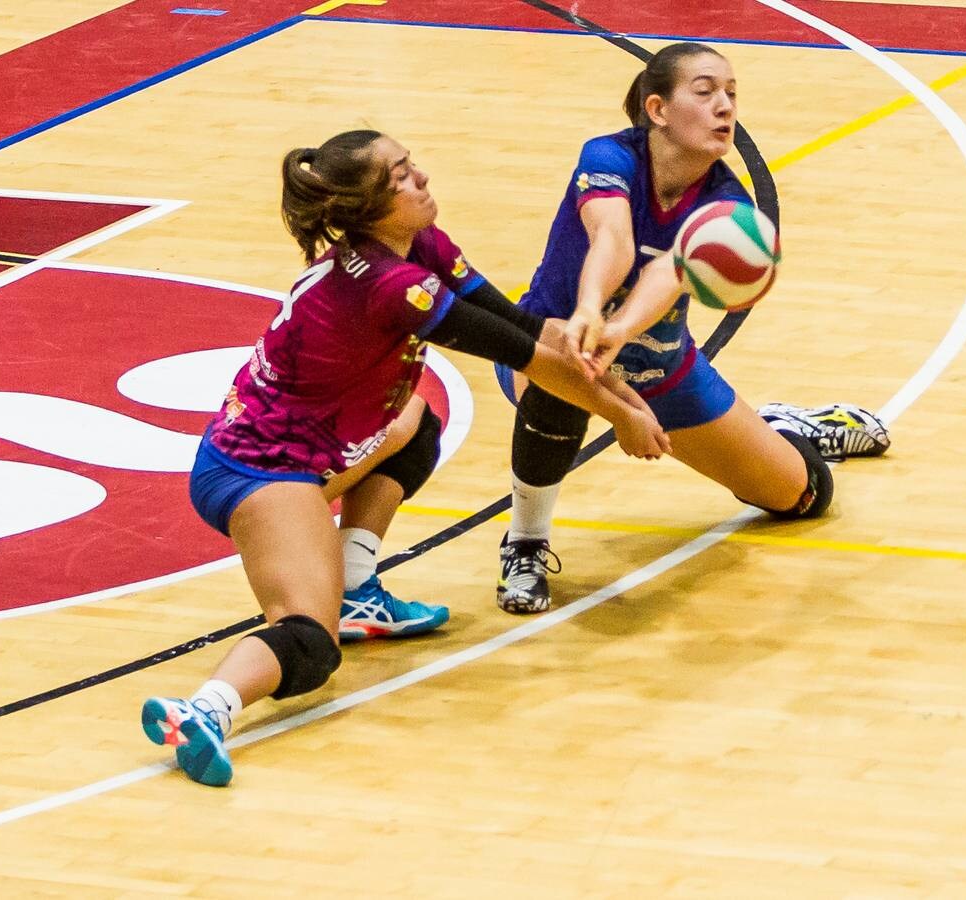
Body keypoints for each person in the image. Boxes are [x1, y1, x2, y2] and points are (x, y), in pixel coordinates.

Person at [141, 129, 670, 786]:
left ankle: (357, 586)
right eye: (401, 175)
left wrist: (612, 383)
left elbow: (523, 328)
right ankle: (203, 711)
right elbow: (525, 358)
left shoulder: (417, 244)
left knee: (416, 420)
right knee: (309, 641)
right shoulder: (393, 286)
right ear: (368, 207)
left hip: (305, 447)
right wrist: (622, 413)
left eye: (411, 163)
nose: (420, 178)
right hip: (259, 472)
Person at [495, 42, 890, 615]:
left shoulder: (726, 203)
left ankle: (783, 426)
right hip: (555, 342)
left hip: (662, 369)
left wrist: (622, 327)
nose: (724, 107)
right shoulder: (609, 156)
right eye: (705, 93)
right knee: (567, 367)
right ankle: (525, 544)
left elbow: (670, 268)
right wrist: (590, 311)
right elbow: (613, 237)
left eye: (731, 94)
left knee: (802, 496)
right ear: (657, 109)